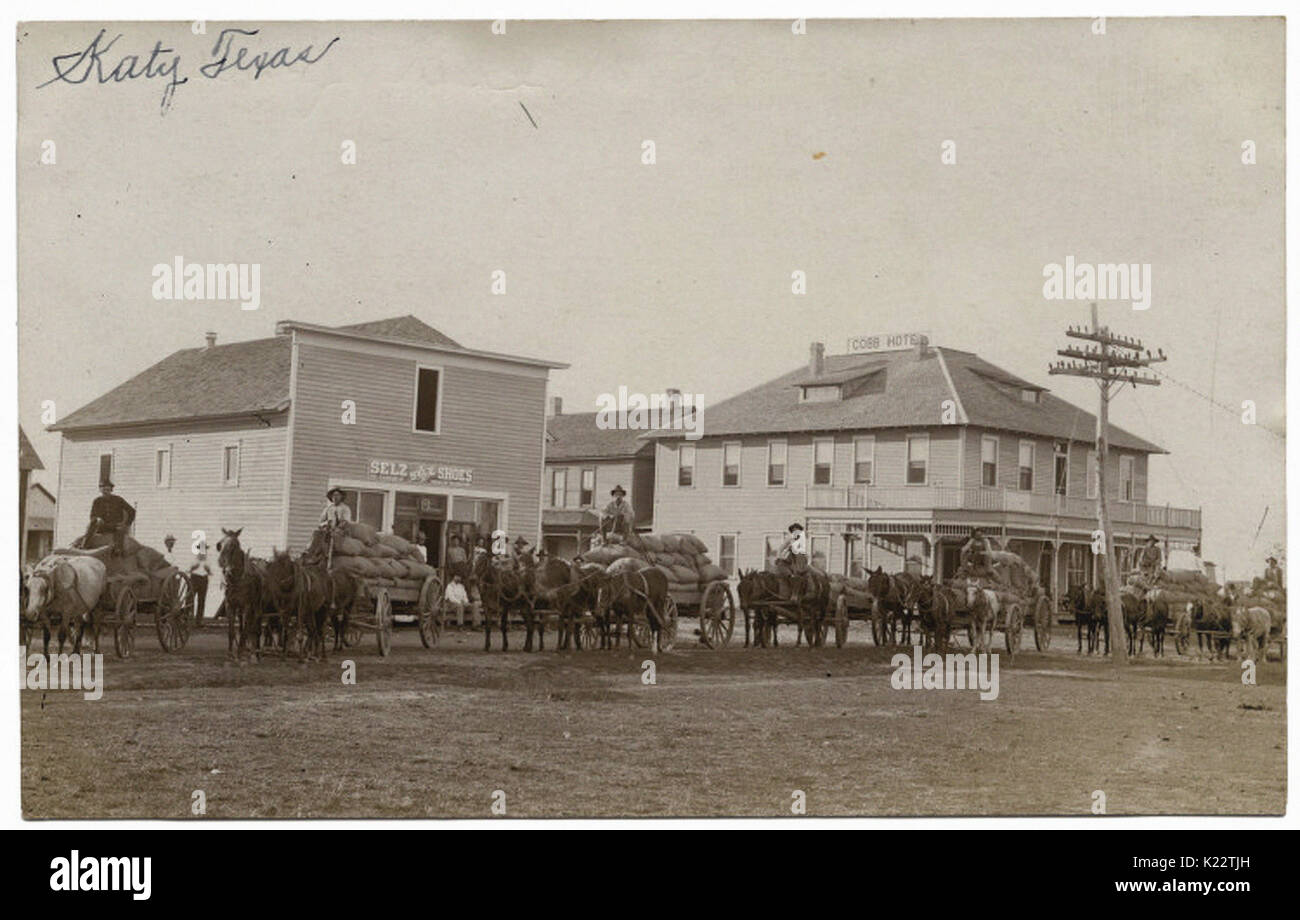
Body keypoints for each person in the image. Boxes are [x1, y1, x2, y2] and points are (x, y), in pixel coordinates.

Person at [83, 479, 136, 556]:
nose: (105, 492)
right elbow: (92, 515)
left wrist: (126, 524)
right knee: (91, 524)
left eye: (107, 490)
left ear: (111, 490)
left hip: (115, 526)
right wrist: (97, 518)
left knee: (119, 532)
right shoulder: (97, 501)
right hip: (102, 526)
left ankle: (117, 550)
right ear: (100, 490)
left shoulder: (118, 500)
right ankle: (84, 545)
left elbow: (132, 511)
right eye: (103, 489)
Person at [189, 540, 213, 623]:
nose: (203, 551)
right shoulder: (194, 558)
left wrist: (208, 570)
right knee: (190, 599)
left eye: (204, 549)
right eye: (201, 549)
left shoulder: (208, 560)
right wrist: (194, 567)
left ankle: (199, 620)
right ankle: (188, 618)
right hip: (194, 578)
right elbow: (188, 569)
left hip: (204, 579)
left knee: (202, 600)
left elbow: (211, 572)